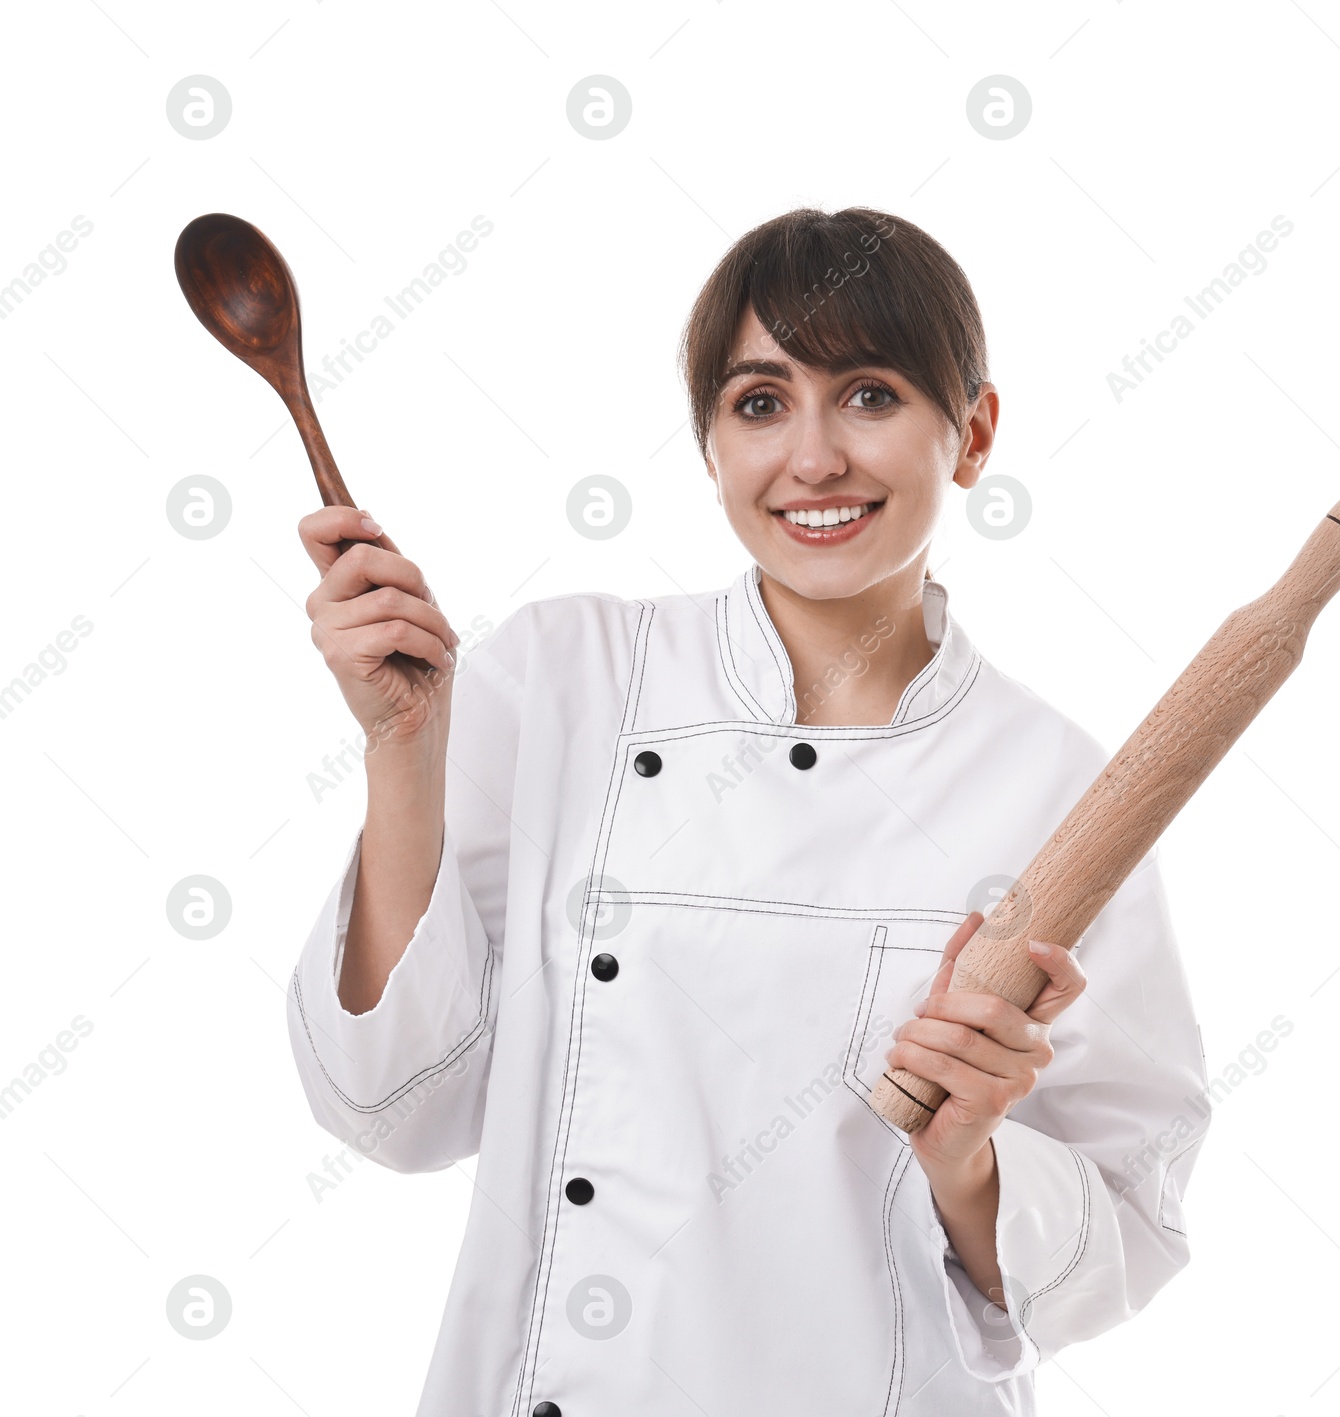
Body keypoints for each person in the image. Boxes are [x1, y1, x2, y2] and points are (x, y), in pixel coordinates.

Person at [287, 206, 1209, 1415]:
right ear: (711, 444)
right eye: (760, 403)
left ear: (972, 432)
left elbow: (1120, 1245)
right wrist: (403, 753)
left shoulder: (1055, 789)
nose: (813, 459)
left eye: (870, 395)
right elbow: (395, 1109)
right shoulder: (569, 677)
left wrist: (969, 1157)